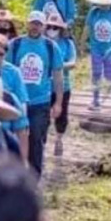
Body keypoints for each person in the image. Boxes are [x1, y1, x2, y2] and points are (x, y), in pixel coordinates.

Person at [9, 11, 64, 176]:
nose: (35, 27)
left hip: (40, 101)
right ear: (27, 24)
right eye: (33, 23)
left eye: (39, 24)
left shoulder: (50, 47)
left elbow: (57, 76)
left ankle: (34, 178)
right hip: (17, 100)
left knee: (35, 138)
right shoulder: (15, 44)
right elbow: (7, 71)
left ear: (44, 26)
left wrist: (58, 102)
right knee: (14, 138)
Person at [82, 0, 111, 111]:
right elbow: (87, 28)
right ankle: (96, 100)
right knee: (96, 73)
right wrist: (82, 42)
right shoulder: (93, 12)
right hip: (96, 47)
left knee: (109, 73)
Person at [43, 15, 75, 158]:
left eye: (55, 27)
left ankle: (59, 139)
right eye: (49, 27)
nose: (51, 30)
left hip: (63, 85)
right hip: (43, 87)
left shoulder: (67, 44)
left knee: (61, 114)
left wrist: (57, 67)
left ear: (61, 29)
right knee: (43, 115)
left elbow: (73, 63)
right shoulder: (41, 43)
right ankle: (42, 142)